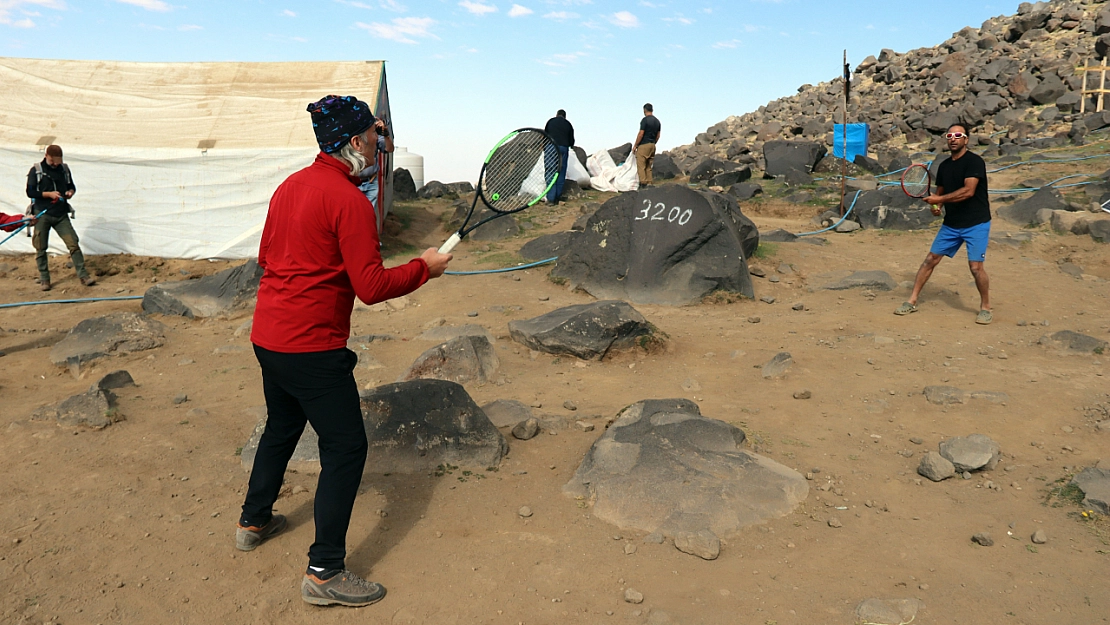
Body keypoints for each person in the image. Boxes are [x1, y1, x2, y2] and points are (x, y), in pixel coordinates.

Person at [236, 94, 452, 608]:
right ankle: (325, 571)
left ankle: (254, 518)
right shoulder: (349, 201)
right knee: (347, 447)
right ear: (355, 141)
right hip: (312, 347)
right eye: (375, 137)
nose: (381, 145)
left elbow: (269, 257)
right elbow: (372, 286)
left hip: (268, 336)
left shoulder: (289, 187)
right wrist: (425, 267)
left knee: (282, 426)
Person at [894, 123, 993, 325]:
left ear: (966, 139)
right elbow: (940, 191)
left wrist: (939, 200)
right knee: (930, 260)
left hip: (976, 223)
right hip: (951, 224)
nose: (953, 138)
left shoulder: (975, 162)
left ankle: (985, 307)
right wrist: (935, 206)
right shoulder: (944, 166)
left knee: (975, 268)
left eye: (958, 135)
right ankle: (911, 301)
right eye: (950, 135)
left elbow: (968, 191)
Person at [26, 145, 95, 290]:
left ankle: (83, 276)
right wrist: (48, 194)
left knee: (73, 243)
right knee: (40, 247)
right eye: (53, 161)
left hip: (61, 214)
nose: (56, 164)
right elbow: (30, 192)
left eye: (58, 161)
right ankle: (45, 279)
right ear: (46, 156)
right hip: (42, 214)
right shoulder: (36, 171)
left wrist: (70, 192)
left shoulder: (64, 169)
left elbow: (71, 186)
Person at [357, 118, 394, 215]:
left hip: (371, 181)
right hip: (354, 183)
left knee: (368, 215)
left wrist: (385, 133)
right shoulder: (350, 134)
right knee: (354, 214)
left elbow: (389, 148)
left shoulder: (374, 136)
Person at [543, 109, 575, 204]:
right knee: (561, 171)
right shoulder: (568, 124)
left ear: (557, 115)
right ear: (565, 116)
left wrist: (544, 147)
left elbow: (545, 134)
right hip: (563, 148)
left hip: (551, 146)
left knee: (550, 171)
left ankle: (551, 199)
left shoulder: (551, 121)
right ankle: (557, 196)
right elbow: (571, 141)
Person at [632, 103, 661, 187]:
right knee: (649, 166)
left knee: (641, 165)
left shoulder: (645, 120)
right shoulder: (657, 121)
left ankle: (643, 184)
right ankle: (649, 183)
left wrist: (635, 145)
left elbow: (641, 133)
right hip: (652, 145)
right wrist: (653, 142)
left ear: (644, 110)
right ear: (652, 110)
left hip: (644, 145)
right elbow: (658, 135)